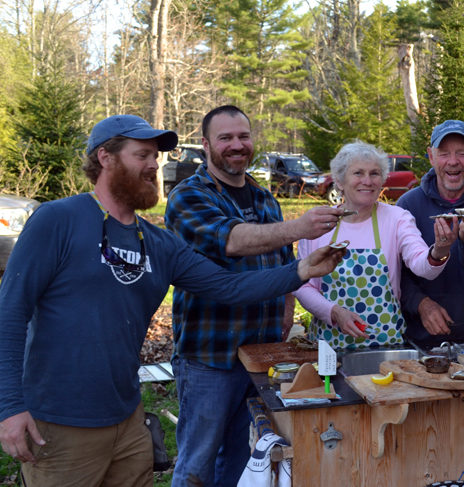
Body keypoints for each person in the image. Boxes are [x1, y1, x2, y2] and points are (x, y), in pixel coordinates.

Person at [0, 114, 344, 487]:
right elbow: (11, 311)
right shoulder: (58, 220)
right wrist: (9, 407)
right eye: (142, 155)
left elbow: (227, 287)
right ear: (105, 157)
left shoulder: (157, 242)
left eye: (156, 158)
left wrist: (301, 270)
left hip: (129, 420)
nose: (154, 166)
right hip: (61, 422)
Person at [164, 105, 347, 487]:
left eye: (243, 136)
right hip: (209, 357)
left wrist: (286, 310)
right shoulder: (188, 197)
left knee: (246, 459)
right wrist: (298, 227)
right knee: (197, 465)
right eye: (225, 138)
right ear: (206, 144)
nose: (236, 145)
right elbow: (232, 240)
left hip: (263, 358)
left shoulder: (265, 200)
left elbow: (284, 265)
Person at [294, 141, 454, 349]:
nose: (367, 181)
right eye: (358, 173)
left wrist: (439, 250)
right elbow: (302, 285)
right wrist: (334, 312)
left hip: (385, 348)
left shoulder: (397, 218)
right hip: (329, 347)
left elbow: (422, 265)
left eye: (375, 173)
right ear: (340, 181)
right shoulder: (318, 224)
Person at [396, 120, 464, 348]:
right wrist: (421, 304)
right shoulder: (408, 204)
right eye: (444, 154)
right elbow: (395, 271)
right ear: (431, 157)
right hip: (417, 339)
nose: (453, 162)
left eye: (462, 154)